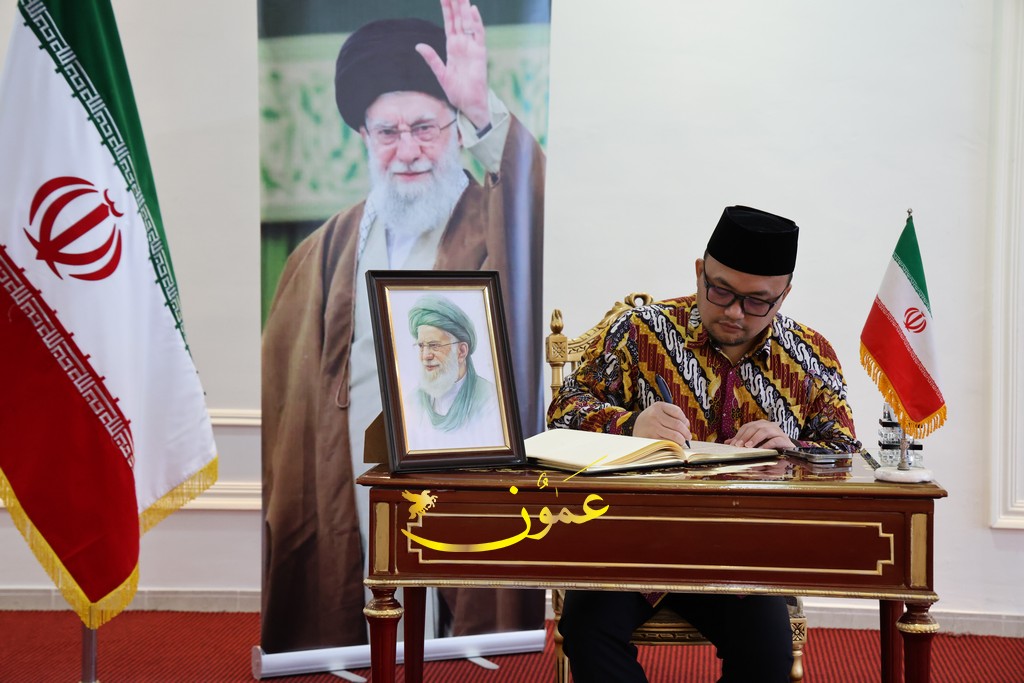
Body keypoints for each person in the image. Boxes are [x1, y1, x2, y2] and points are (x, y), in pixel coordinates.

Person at [261, 0, 545, 653]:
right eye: (387, 132)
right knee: (364, 598)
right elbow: (290, 392)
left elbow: (533, 219)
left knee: (449, 606)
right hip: (357, 470)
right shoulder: (325, 249)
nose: (408, 150)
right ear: (362, 136)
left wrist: (482, 109)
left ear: (455, 128)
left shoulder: (493, 218)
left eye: (425, 127)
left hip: (459, 464)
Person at [548, 205, 861, 683]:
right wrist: (629, 424)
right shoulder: (640, 332)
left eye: (757, 302)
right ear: (700, 272)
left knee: (768, 657)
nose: (735, 312)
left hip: (741, 552)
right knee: (587, 632)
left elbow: (845, 453)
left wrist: (793, 446)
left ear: (784, 295)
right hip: (632, 542)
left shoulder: (809, 356)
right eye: (721, 291)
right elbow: (563, 410)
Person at [404, 294, 505, 451]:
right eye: (421, 346)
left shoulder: (490, 400)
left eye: (434, 345)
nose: (425, 356)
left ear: (461, 351)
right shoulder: (412, 402)